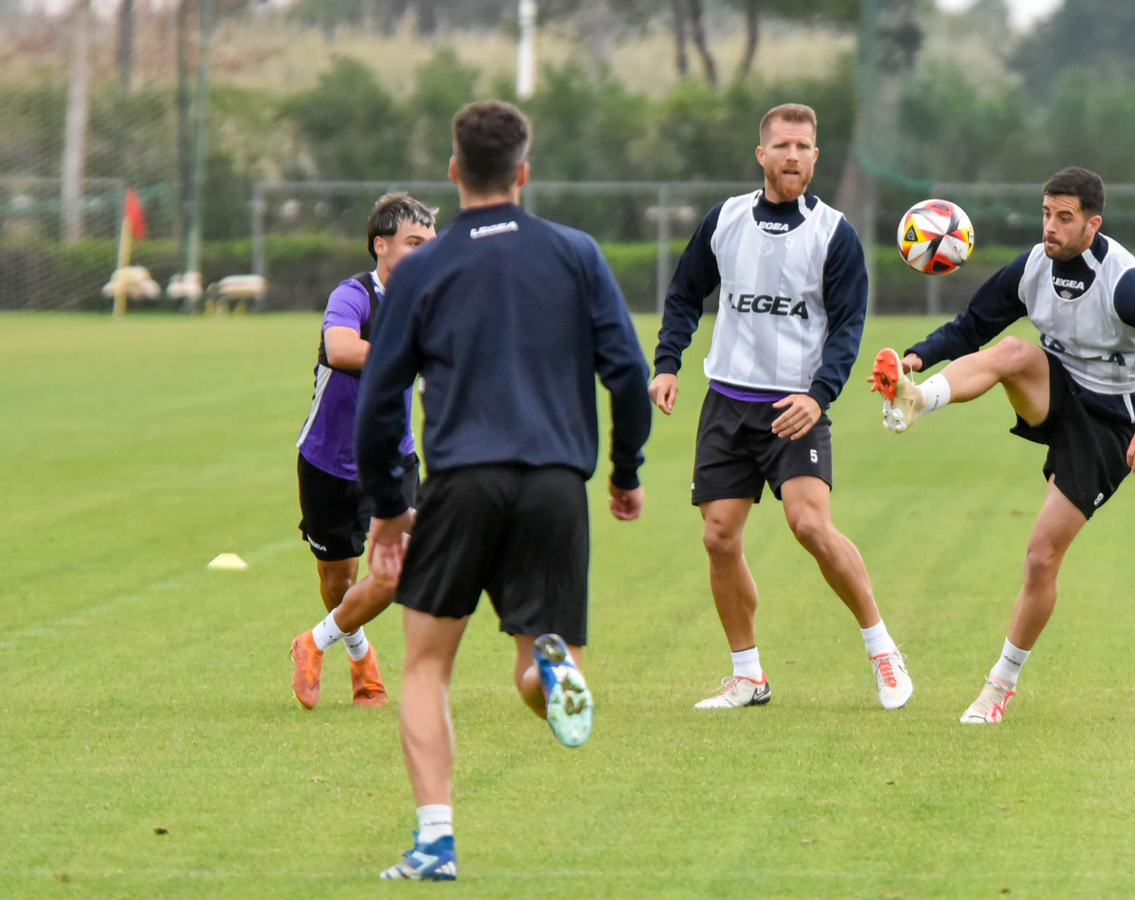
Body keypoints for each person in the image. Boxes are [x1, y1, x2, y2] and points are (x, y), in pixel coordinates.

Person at [354, 100, 652, 881]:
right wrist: (624, 474)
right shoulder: (577, 254)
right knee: (537, 667)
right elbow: (625, 372)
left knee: (425, 667)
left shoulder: (421, 268)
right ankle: (548, 666)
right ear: (523, 173)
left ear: (455, 173)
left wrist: (389, 508)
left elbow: (380, 397)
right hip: (556, 484)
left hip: (461, 484)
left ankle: (435, 843)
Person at [871, 167, 1135, 725]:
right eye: (1046, 214)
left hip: (1110, 426)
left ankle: (999, 686)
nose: (1050, 227)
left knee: (1041, 557)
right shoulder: (1032, 267)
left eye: (1064, 218)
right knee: (1014, 354)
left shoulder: (1126, 283)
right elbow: (972, 325)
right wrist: (916, 357)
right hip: (1056, 392)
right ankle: (917, 398)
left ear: (1093, 225)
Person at [650, 103, 912, 711]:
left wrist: (818, 397)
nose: (793, 156)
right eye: (783, 146)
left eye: (804, 147)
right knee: (719, 537)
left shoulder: (834, 234)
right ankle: (748, 676)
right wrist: (666, 364)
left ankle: (881, 649)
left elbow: (848, 329)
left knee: (810, 525)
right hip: (726, 402)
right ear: (762, 155)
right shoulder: (727, 219)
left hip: (795, 408)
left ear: (816, 158)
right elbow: (686, 292)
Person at [289, 192, 435, 710]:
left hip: (392, 457)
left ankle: (313, 642)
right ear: (381, 245)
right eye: (414, 242)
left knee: (395, 570)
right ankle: (359, 655)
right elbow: (341, 348)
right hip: (328, 460)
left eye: (430, 244)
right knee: (340, 580)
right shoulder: (354, 295)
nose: (425, 253)